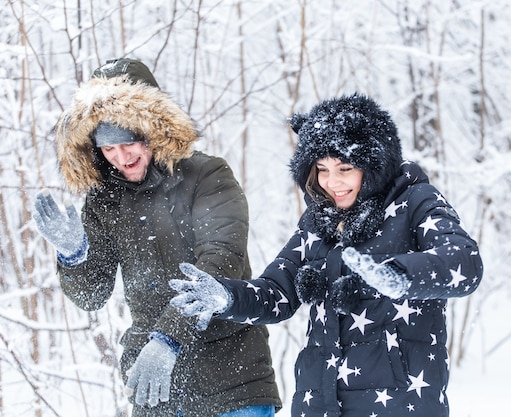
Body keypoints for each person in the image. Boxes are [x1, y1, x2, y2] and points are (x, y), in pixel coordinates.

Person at [168, 93, 484, 417]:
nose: (333, 182)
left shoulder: (414, 202)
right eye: (322, 169)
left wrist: (396, 275)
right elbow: (278, 291)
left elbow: (464, 262)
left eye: (345, 168)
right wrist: (228, 296)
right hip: (317, 403)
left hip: (400, 405)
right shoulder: (319, 221)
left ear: (374, 164)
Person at [32, 58, 281, 417]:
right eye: (108, 148)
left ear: (152, 129)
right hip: (156, 390)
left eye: (129, 142)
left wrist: (168, 340)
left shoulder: (208, 176)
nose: (121, 157)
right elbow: (92, 295)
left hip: (230, 381)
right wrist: (75, 256)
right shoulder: (105, 199)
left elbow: (219, 260)